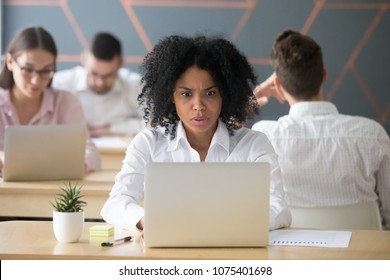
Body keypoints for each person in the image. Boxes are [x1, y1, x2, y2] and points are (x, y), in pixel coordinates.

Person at [101, 34, 291, 231]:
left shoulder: (254, 145)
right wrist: (145, 220)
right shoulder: (148, 143)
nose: (198, 106)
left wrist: (230, 224)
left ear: (224, 94)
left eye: (210, 93)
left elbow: (279, 209)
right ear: (171, 96)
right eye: (186, 94)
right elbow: (115, 204)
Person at [252, 29, 390, 229]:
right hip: (363, 258)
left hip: (290, 259)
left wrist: (253, 96)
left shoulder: (265, 136)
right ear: (324, 76)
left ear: (278, 85)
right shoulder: (372, 135)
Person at [0, 26, 101, 172]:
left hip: (54, 190)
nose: (36, 80)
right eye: (28, 70)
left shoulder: (67, 103)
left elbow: (92, 155)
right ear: (10, 61)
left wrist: (70, 163)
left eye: (46, 71)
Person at [52, 32, 144, 137]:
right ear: (84, 59)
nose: (100, 83)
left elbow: (158, 123)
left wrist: (113, 129)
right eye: (94, 74)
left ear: (120, 63)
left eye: (108, 75)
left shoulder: (135, 85)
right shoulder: (61, 83)